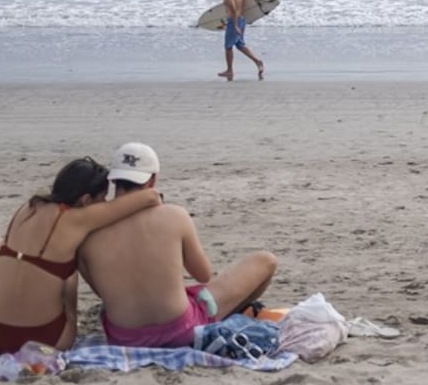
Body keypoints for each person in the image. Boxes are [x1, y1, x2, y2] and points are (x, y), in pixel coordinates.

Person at [78, 143, 278, 348]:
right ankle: (231, 315)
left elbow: (103, 292)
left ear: (113, 181)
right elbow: (203, 274)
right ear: (153, 179)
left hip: (124, 338)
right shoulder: (174, 215)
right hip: (182, 331)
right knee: (266, 261)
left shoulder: (89, 232)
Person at [0, 158, 161, 353]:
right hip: (49, 341)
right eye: (102, 198)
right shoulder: (77, 219)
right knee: (70, 267)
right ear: (86, 200)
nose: (104, 203)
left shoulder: (29, 207)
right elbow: (151, 197)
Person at [217, 0, 264, 81]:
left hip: (234, 22)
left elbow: (233, 10)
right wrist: (245, 21)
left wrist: (235, 25)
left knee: (228, 47)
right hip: (241, 19)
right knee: (240, 45)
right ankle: (258, 61)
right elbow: (244, 6)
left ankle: (230, 70)